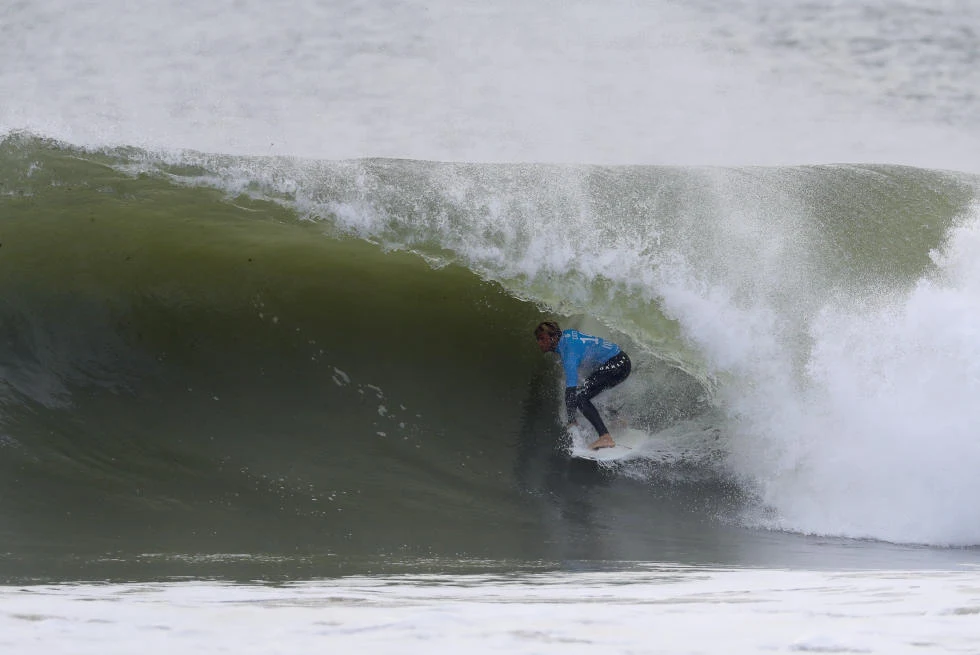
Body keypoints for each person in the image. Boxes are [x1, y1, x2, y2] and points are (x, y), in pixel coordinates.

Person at [534, 321, 632, 450]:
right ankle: (618, 420)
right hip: (620, 361)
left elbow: (571, 391)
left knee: (581, 398)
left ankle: (605, 437)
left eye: (542, 339)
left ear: (554, 338)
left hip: (617, 365)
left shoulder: (569, 353)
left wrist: (571, 420)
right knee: (588, 394)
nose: (539, 343)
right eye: (538, 339)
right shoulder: (566, 335)